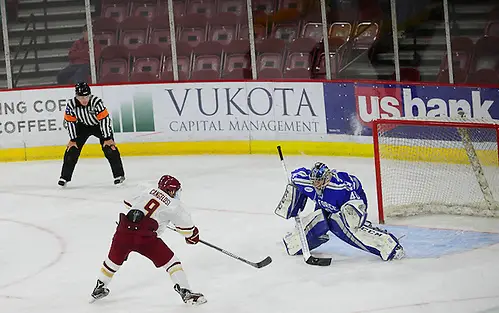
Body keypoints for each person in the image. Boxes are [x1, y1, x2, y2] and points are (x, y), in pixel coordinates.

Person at [90, 175, 207, 306]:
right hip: (145, 237)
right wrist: (193, 236)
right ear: (172, 191)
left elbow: (127, 203)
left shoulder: (146, 189)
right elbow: (187, 230)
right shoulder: (174, 205)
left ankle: (99, 286)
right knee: (171, 262)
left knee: (113, 260)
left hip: (124, 231)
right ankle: (185, 291)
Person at [275, 162, 405, 261]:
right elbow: (295, 176)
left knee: (349, 226)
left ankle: (388, 245)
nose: (316, 185)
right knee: (319, 220)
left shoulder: (340, 189)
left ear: (327, 178)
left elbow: (357, 198)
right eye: (314, 181)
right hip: (326, 207)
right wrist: (296, 200)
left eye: (319, 181)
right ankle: (294, 242)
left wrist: (355, 217)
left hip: (352, 204)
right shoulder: (308, 182)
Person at [58, 82, 125, 186]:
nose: (84, 99)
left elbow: (104, 120)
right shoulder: (71, 105)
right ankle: (64, 177)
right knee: (72, 150)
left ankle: (119, 175)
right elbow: (70, 122)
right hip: (82, 126)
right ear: (76, 96)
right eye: (81, 97)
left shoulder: (96, 102)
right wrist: (73, 140)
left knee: (110, 149)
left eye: (87, 96)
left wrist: (107, 137)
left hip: (99, 126)